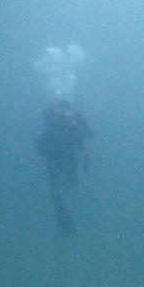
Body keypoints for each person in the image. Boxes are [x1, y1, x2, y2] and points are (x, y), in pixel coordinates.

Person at [36, 100, 92, 237]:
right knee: (70, 183)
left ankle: (65, 221)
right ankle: (69, 222)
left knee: (55, 190)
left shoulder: (54, 121)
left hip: (55, 156)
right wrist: (86, 159)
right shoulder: (73, 120)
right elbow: (86, 136)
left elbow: (41, 148)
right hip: (69, 156)